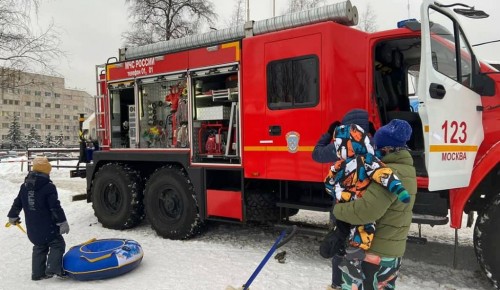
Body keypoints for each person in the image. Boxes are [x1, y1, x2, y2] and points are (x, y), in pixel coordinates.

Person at [332, 119, 417, 289]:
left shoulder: (389, 173)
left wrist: (337, 210)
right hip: (390, 252)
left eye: (377, 147)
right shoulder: (407, 169)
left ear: (387, 149)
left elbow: (366, 211)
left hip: (374, 253)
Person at [313, 109, 370, 290]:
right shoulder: (373, 144)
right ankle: (360, 283)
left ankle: (337, 284)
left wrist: (329, 134)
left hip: (342, 205)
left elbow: (317, 154)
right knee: (362, 243)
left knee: (339, 240)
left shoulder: (341, 146)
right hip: (366, 204)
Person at [7, 156, 70, 280]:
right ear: (47, 171)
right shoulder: (48, 187)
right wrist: (62, 222)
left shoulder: (24, 186)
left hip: (33, 229)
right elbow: (55, 207)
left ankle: (37, 274)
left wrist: (12, 216)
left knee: (39, 247)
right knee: (57, 244)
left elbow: (17, 203)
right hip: (48, 227)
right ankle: (52, 268)